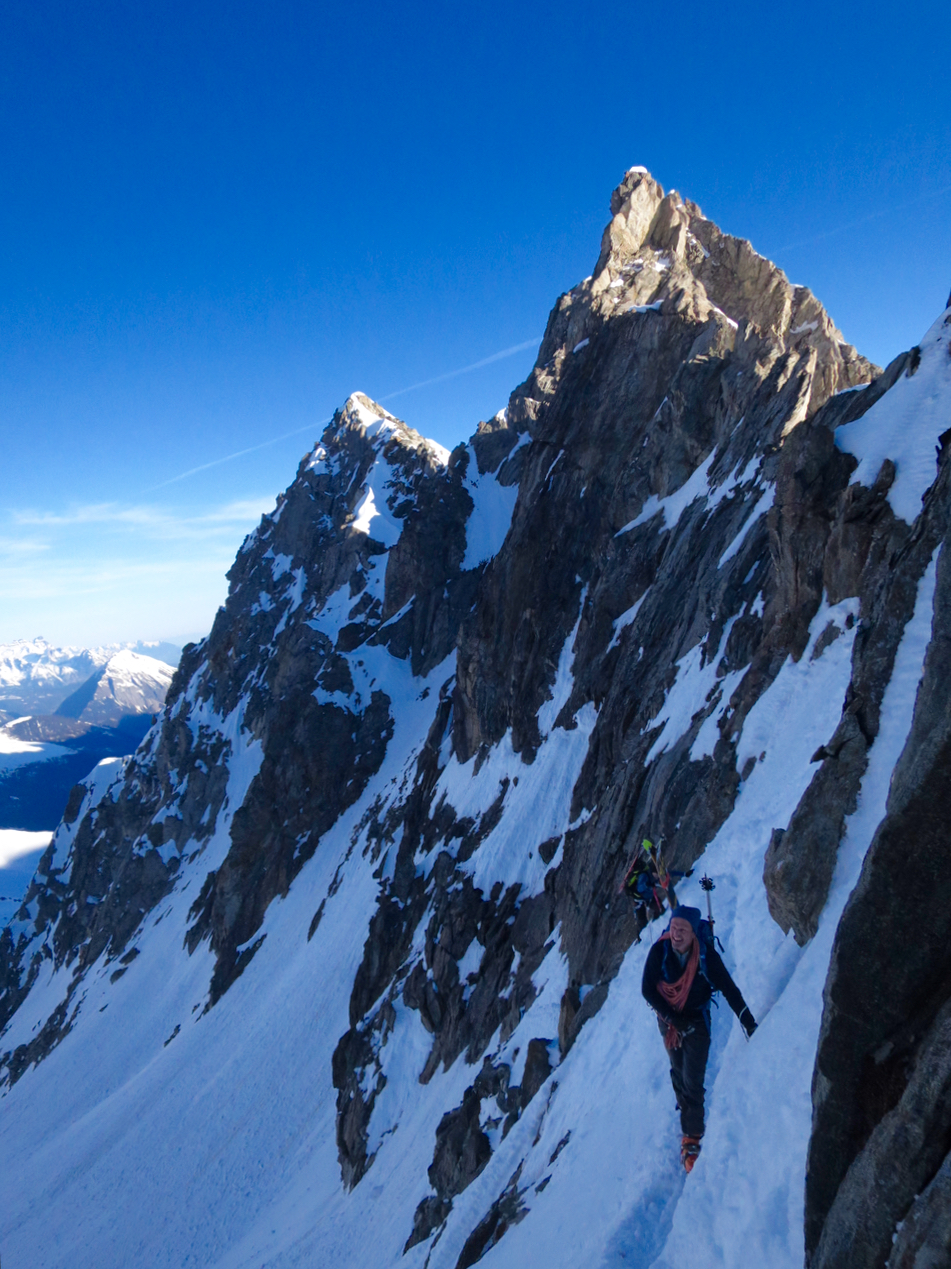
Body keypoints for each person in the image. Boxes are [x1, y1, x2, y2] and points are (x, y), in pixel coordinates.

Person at [641, 904, 757, 1172]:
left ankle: (691, 1137)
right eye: (673, 928)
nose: (677, 934)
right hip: (670, 1019)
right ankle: (685, 1106)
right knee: (679, 1070)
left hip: (696, 1023)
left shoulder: (706, 956)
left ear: (694, 933)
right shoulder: (659, 950)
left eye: (683, 929)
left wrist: (749, 1023)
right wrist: (673, 1020)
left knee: (693, 1080)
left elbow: (729, 989)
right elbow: (647, 990)